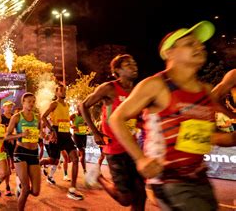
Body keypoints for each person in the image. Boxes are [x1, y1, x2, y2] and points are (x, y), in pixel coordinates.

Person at [109, 21, 236, 210]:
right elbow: (116, 118)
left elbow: (208, 136)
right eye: (189, 43)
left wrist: (231, 138)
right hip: (168, 181)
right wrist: (141, 159)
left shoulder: (206, 91)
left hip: (200, 178)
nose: (199, 47)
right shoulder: (156, 85)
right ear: (170, 53)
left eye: (200, 44)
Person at [79, 54, 146, 210]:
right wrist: (95, 132)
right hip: (114, 149)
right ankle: (98, 176)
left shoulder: (138, 92)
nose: (134, 66)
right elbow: (83, 106)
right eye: (128, 64)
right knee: (125, 199)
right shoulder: (109, 88)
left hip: (133, 148)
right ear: (117, 70)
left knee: (141, 195)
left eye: (134, 63)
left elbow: (138, 118)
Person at [39, 84, 84, 200]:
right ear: (57, 93)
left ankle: (72, 189)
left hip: (66, 135)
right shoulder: (54, 104)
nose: (64, 92)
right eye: (61, 91)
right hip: (57, 134)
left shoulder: (67, 105)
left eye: (65, 91)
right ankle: (35, 164)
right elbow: (43, 117)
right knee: (53, 160)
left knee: (75, 159)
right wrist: (52, 129)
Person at [5, 92, 42, 211]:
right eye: (29, 101)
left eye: (33, 102)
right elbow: (7, 136)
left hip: (34, 153)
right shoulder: (16, 117)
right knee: (27, 189)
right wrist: (21, 134)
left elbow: (39, 133)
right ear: (23, 102)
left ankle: (20, 188)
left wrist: (46, 136)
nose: (31, 104)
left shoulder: (37, 117)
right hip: (20, 152)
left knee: (36, 192)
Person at [1, 101, 15, 196]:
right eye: (8, 106)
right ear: (4, 107)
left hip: (14, 143)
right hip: (3, 144)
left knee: (17, 166)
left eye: (11, 107)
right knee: (7, 168)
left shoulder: (14, 117)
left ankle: (19, 185)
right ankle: (7, 186)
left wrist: (13, 137)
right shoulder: (1, 117)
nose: (9, 108)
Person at [70, 109, 89, 174]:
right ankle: (84, 170)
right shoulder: (74, 116)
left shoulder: (85, 116)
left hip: (84, 135)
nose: (80, 110)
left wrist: (86, 125)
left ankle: (73, 156)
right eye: (79, 109)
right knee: (83, 152)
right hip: (77, 136)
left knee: (82, 153)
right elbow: (66, 121)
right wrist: (71, 126)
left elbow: (88, 125)